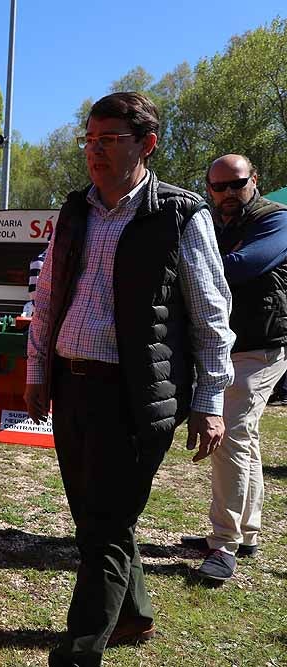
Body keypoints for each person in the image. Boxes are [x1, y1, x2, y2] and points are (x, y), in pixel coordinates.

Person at [24, 92, 234, 667]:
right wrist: (39, 371)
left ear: (146, 143)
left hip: (136, 398)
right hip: (72, 388)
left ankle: (80, 648)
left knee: (104, 526)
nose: (95, 151)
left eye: (109, 140)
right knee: (97, 515)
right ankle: (135, 614)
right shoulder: (74, 211)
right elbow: (46, 301)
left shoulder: (180, 215)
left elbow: (213, 316)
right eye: (89, 140)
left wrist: (209, 402)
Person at [180, 155, 287, 583]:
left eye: (234, 184)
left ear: (253, 180)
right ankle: (247, 532)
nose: (225, 194)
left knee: (229, 433)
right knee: (247, 437)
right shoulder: (217, 224)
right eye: (217, 186)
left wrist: (186, 267)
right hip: (231, 347)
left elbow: (241, 267)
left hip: (259, 349)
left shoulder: (276, 220)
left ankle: (223, 545)